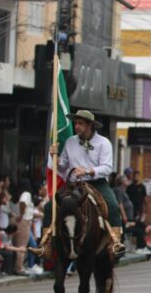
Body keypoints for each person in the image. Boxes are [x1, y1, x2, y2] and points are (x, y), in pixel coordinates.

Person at [31, 110, 126, 259]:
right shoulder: (70, 141)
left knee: (113, 206)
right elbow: (63, 166)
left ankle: (115, 243)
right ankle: (46, 246)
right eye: (75, 123)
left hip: (97, 183)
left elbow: (107, 168)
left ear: (90, 125)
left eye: (80, 123)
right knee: (50, 207)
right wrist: (54, 157)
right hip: (74, 185)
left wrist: (88, 171)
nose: (76, 126)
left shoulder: (104, 142)